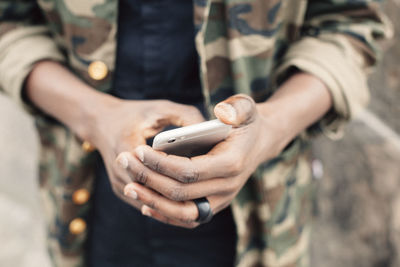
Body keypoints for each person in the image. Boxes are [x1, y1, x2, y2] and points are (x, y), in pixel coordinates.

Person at [0, 0, 392, 266]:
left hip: (262, 220)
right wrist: (96, 116)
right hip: (89, 207)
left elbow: (350, 24)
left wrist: (270, 127)